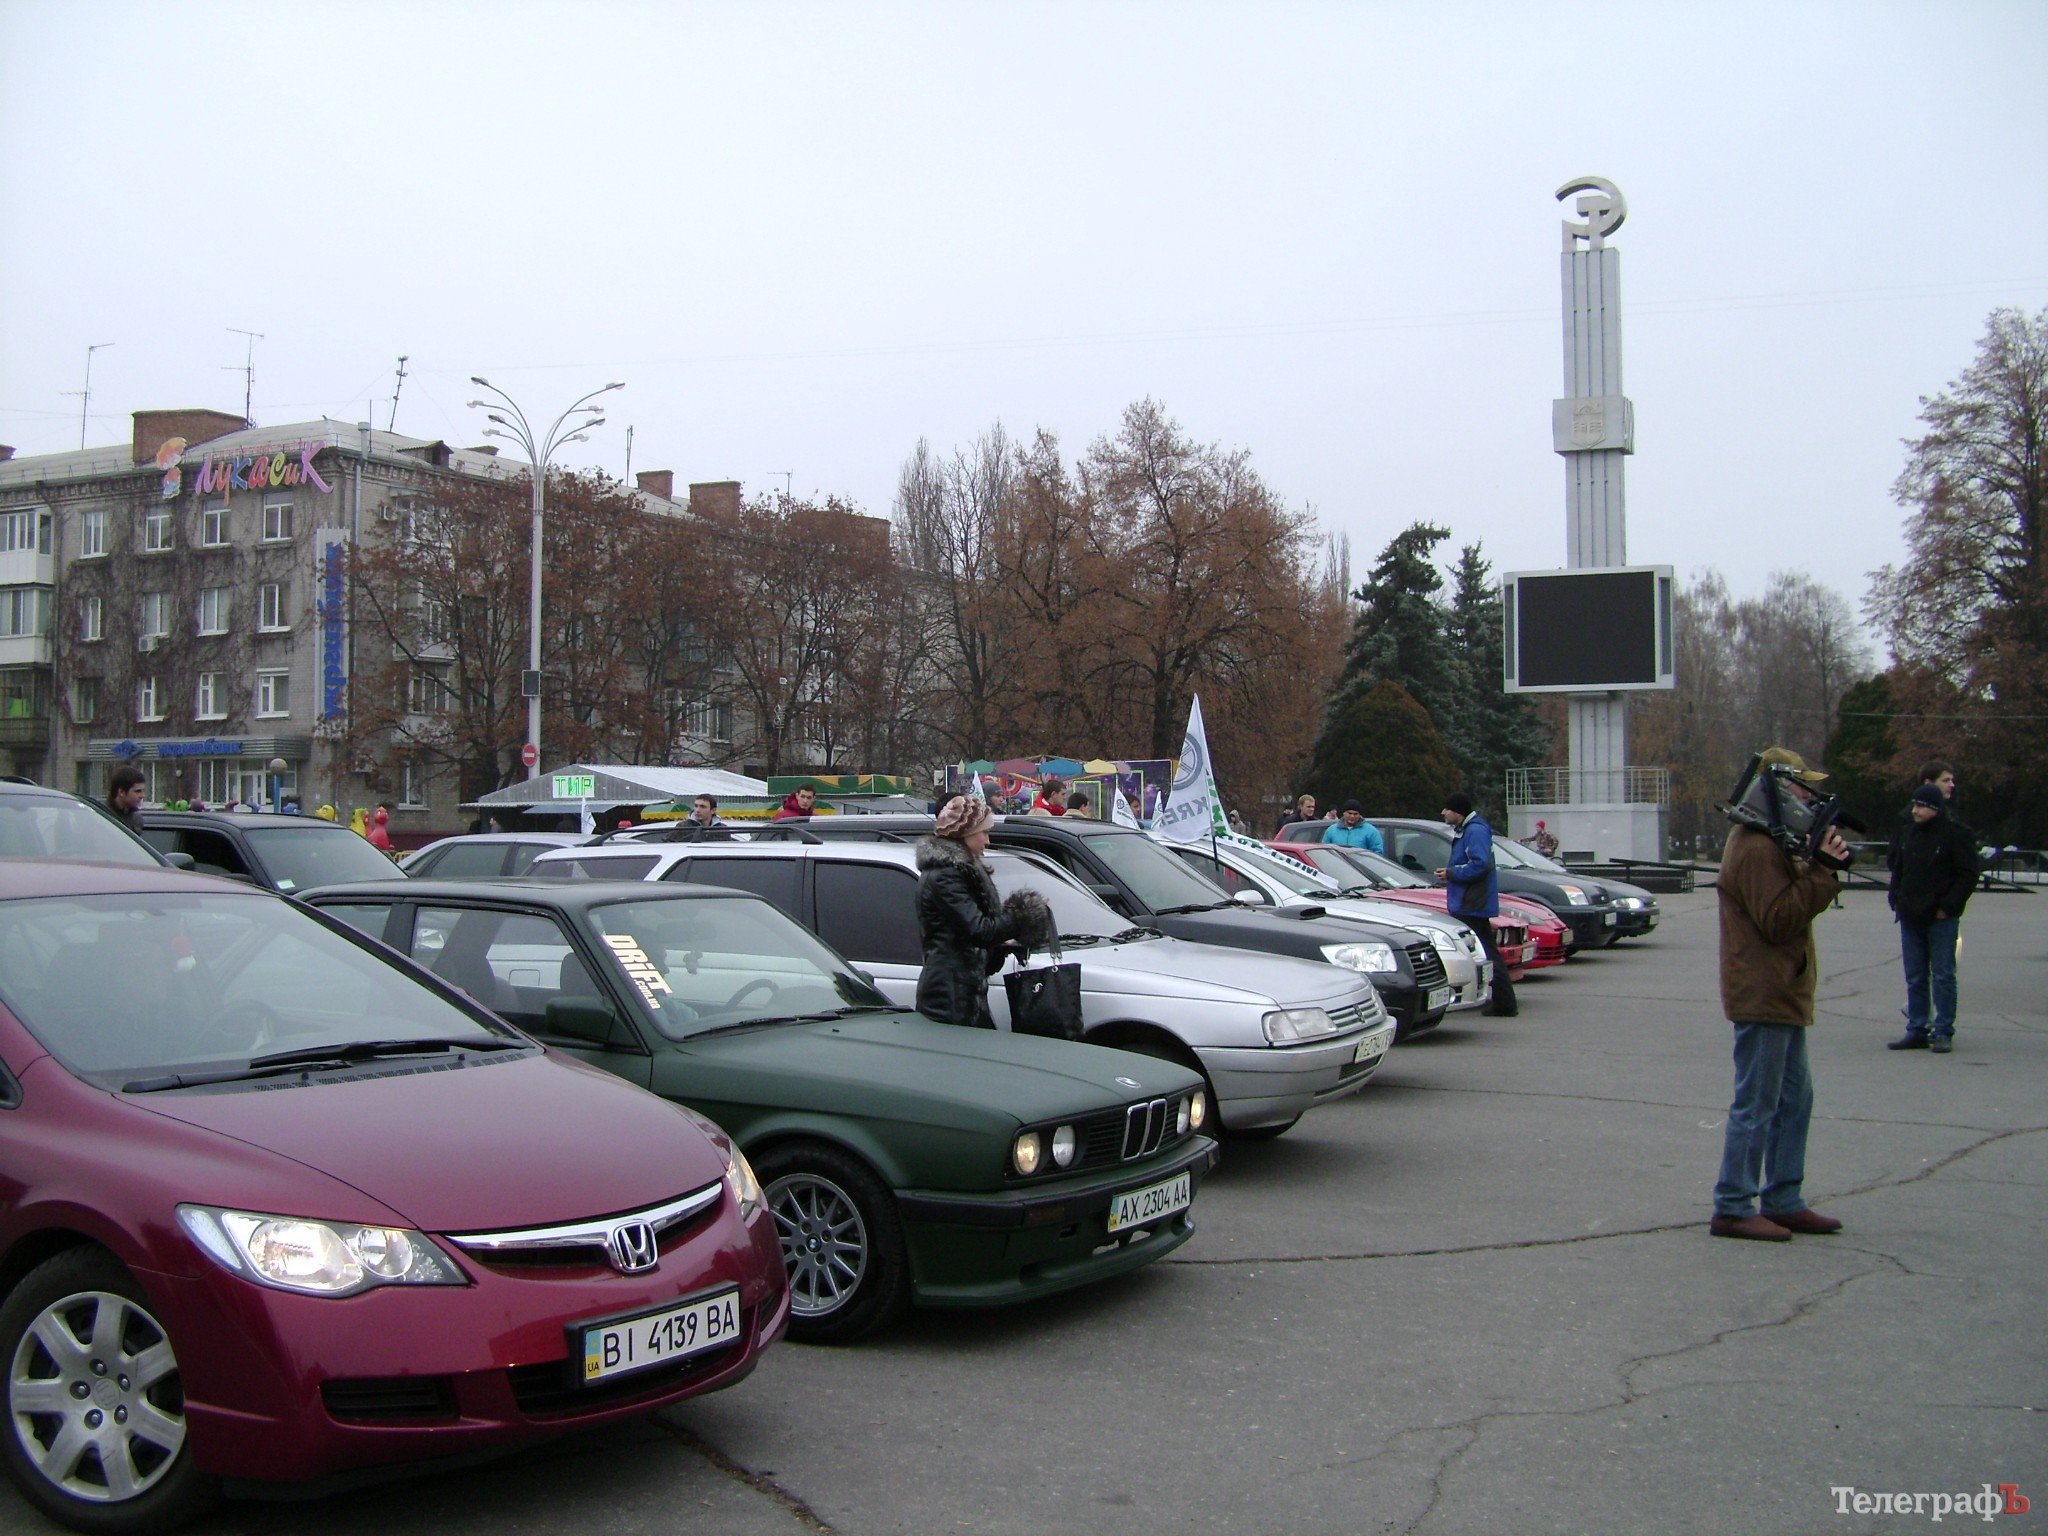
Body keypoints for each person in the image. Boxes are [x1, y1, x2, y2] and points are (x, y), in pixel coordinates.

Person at [1709, 747, 1849, 1242]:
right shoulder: (1754, 846)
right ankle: (1733, 1204)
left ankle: (1783, 1198)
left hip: (1781, 990)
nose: (1806, 798)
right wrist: (1822, 874)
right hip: (1764, 991)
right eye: (1798, 787)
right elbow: (1779, 919)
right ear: (1773, 788)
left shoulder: (1772, 841)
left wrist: (1814, 867)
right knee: (1758, 1102)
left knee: (1795, 1100)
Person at [913, 797, 1024, 1027]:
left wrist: (1000, 947)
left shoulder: (959, 871)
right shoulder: (945, 875)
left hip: (964, 992)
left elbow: (969, 939)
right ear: (965, 833)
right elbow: (978, 930)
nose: (987, 840)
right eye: (984, 832)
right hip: (949, 997)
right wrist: (1022, 916)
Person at [1885, 782, 1979, 1053]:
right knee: (1914, 976)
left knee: (1943, 975)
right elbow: (1899, 868)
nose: (1915, 810)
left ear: (1935, 808)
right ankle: (1916, 1028)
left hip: (1940, 916)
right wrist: (1896, 898)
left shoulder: (1955, 834)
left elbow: (1967, 874)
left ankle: (1943, 1030)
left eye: (1921, 806)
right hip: (1910, 913)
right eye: (1914, 804)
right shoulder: (1908, 832)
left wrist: (1948, 906)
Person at [1437, 792, 1517, 1018]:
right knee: (1484, 951)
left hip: (1472, 902)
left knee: (1486, 952)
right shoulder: (1469, 830)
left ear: (1458, 811)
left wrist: (1452, 873)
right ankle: (1501, 1000)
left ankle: (1504, 1002)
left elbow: (1479, 865)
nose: (1443, 813)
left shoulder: (1475, 831)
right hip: (1469, 900)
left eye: (1447, 809)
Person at [106, 766, 146, 834]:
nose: (142, 796)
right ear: (121, 792)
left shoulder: (136, 819)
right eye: (138, 791)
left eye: (143, 791)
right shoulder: (102, 816)